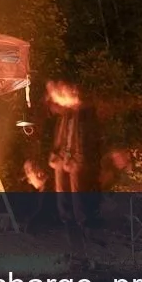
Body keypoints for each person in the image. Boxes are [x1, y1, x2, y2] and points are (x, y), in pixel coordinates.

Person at [45, 80, 100, 230]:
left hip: (75, 156)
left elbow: (83, 139)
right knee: (60, 188)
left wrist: (76, 158)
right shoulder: (65, 113)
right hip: (62, 154)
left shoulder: (82, 113)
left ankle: (80, 219)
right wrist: (55, 153)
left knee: (76, 189)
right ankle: (65, 218)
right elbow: (58, 132)